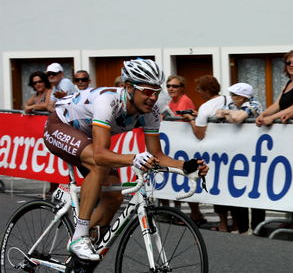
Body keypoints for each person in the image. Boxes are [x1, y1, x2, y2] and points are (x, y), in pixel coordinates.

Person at [43, 59, 208, 261]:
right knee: (99, 164)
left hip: (87, 138)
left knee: (114, 198)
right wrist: (134, 158)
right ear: (129, 87)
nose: (153, 98)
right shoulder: (109, 102)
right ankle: (80, 237)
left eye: (157, 92)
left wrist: (186, 167)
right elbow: (101, 154)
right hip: (60, 125)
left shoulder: (152, 112)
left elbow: (157, 155)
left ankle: (80, 255)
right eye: (147, 91)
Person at [181, 76, 232, 232]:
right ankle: (236, 223)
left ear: (207, 91)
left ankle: (223, 223)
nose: (198, 93)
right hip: (233, 149)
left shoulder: (205, 107)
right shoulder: (229, 99)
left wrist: (190, 119)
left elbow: (200, 133)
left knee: (219, 185)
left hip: (217, 154)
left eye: (199, 90)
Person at [215, 83, 266, 234]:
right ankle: (243, 228)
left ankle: (258, 228)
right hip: (237, 155)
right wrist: (228, 113)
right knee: (238, 189)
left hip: (255, 155)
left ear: (244, 97)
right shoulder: (231, 104)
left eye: (235, 95)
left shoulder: (254, 104)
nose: (232, 98)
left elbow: (238, 118)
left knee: (256, 191)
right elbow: (218, 114)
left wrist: (228, 114)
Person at [161, 74, 207, 226]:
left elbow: (185, 121)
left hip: (184, 144)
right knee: (168, 176)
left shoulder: (185, 100)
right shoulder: (169, 101)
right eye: (168, 86)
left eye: (175, 86)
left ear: (182, 88)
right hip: (171, 144)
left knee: (185, 176)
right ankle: (171, 211)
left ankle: (194, 213)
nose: (171, 89)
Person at [255, 50, 293, 126]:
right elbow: (277, 105)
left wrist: (272, 118)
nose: (291, 65)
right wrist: (263, 115)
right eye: (288, 63)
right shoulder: (288, 83)